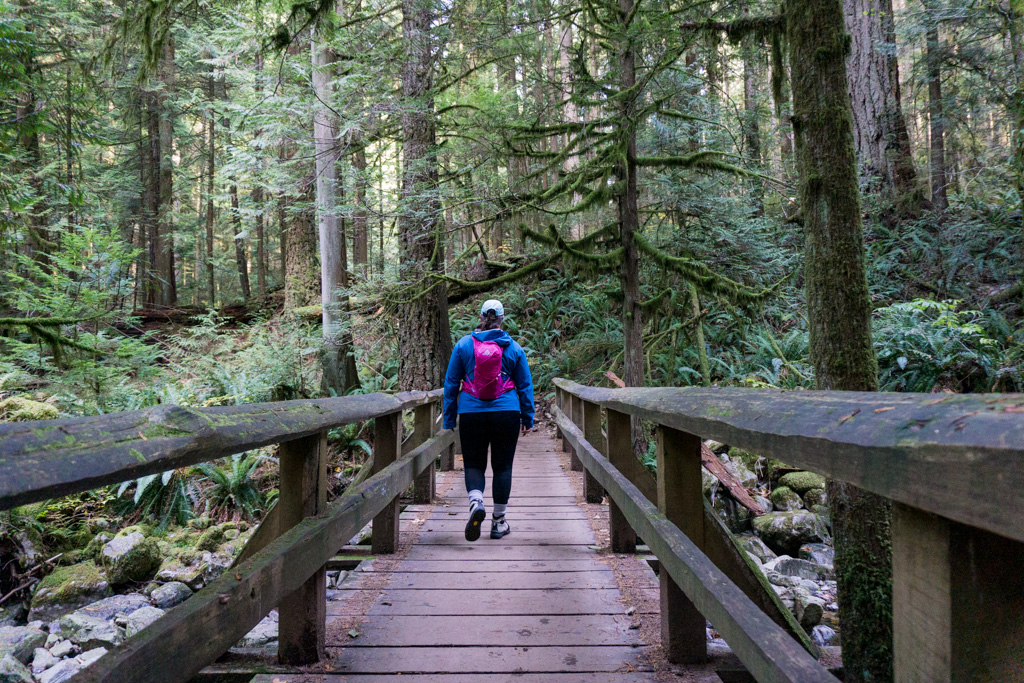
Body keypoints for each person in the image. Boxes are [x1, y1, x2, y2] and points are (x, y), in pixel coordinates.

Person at [443, 299, 535, 542]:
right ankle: (499, 522)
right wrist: (528, 417)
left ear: (481, 316)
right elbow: (525, 385)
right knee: (503, 467)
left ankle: (475, 503)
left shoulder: (463, 345)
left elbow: (451, 384)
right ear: (502, 319)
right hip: (506, 412)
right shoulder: (513, 348)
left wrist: (449, 418)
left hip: (471, 412)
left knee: (474, 464)